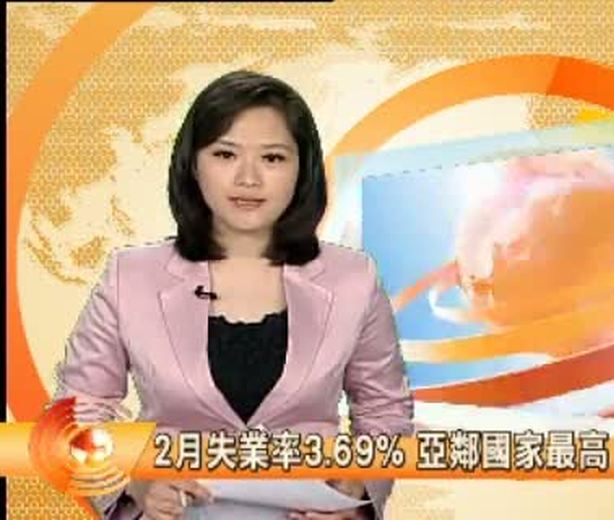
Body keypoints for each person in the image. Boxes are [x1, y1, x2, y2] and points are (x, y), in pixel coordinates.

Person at [54, 70, 414, 520]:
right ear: (193, 164)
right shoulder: (130, 276)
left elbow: (384, 408)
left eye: (273, 158)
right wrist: (134, 481)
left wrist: (357, 488)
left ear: (302, 170)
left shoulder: (353, 278)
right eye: (225, 154)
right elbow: (78, 411)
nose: (248, 178)